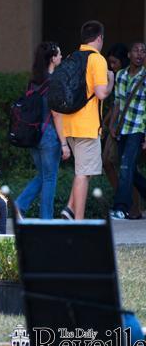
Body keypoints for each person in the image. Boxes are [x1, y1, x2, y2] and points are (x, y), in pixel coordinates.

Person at [61, 20, 114, 220]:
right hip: (87, 125)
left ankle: (69, 207)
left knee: (86, 169)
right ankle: (78, 220)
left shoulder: (71, 57)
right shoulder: (97, 60)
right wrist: (111, 81)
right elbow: (101, 93)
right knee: (84, 173)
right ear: (99, 38)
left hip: (69, 124)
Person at [15, 41, 71, 219]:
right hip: (49, 137)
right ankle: (46, 219)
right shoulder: (54, 82)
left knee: (43, 175)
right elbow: (56, 114)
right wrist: (64, 144)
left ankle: (20, 205)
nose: (61, 57)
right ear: (53, 59)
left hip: (32, 135)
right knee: (49, 178)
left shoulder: (33, 82)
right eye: (59, 54)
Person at [103, 43, 142, 218]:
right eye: (136, 50)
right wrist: (112, 126)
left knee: (126, 167)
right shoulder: (121, 76)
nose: (140, 54)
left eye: (143, 51)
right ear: (129, 54)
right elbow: (118, 102)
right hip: (122, 129)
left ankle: (120, 208)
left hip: (138, 128)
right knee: (129, 170)